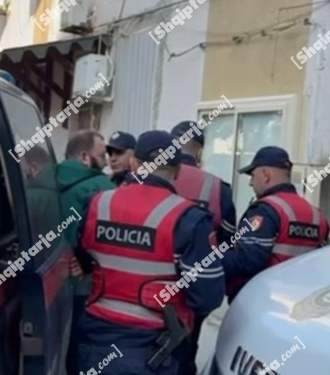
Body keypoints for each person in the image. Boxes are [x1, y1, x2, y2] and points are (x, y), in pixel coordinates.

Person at [74, 130, 225, 374]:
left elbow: (81, 258)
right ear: (177, 171)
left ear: (134, 163)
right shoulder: (190, 219)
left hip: (97, 341)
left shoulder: (97, 204)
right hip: (155, 350)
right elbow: (207, 297)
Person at [169, 120, 236, 374]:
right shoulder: (217, 188)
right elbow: (227, 245)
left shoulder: (145, 180)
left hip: (149, 288)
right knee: (186, 352)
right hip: (193, 291)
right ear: (199, 150)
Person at [222, 146, 329, 302]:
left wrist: (209, 258)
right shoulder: (317, 216)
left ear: (265, 175)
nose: (251, 183)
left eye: (253, 176)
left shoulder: (265, 211)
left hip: (262, 301)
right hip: (301, 303)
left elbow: (248, 261)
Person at [57, 130, 115, 375]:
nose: (107, 161)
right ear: (84, 156)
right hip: (88, 284)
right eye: (102, 155)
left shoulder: (44, 180)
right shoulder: (102, 187)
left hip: (51, 280)